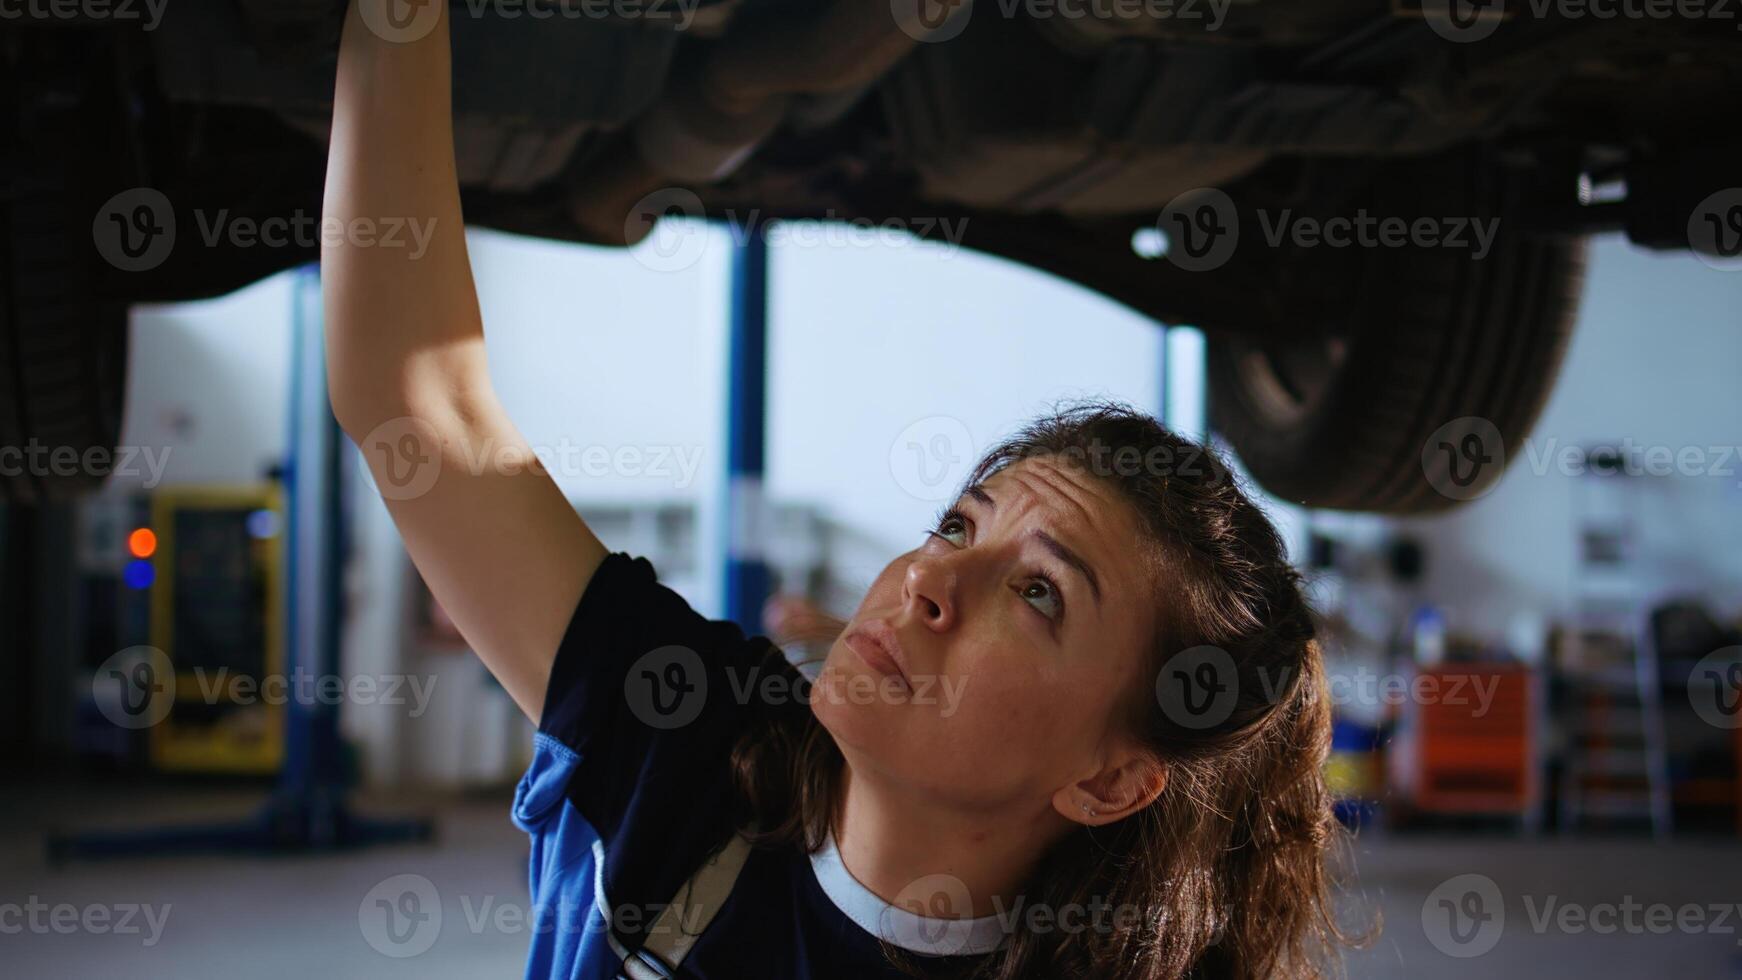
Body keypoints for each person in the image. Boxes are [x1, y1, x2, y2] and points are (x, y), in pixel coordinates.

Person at [322, 2, 1361, 976]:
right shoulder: (686, 748)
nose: (924, 580)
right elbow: (421, 409)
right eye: (958, 524)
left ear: (1106, 779)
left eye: (1039, 591)